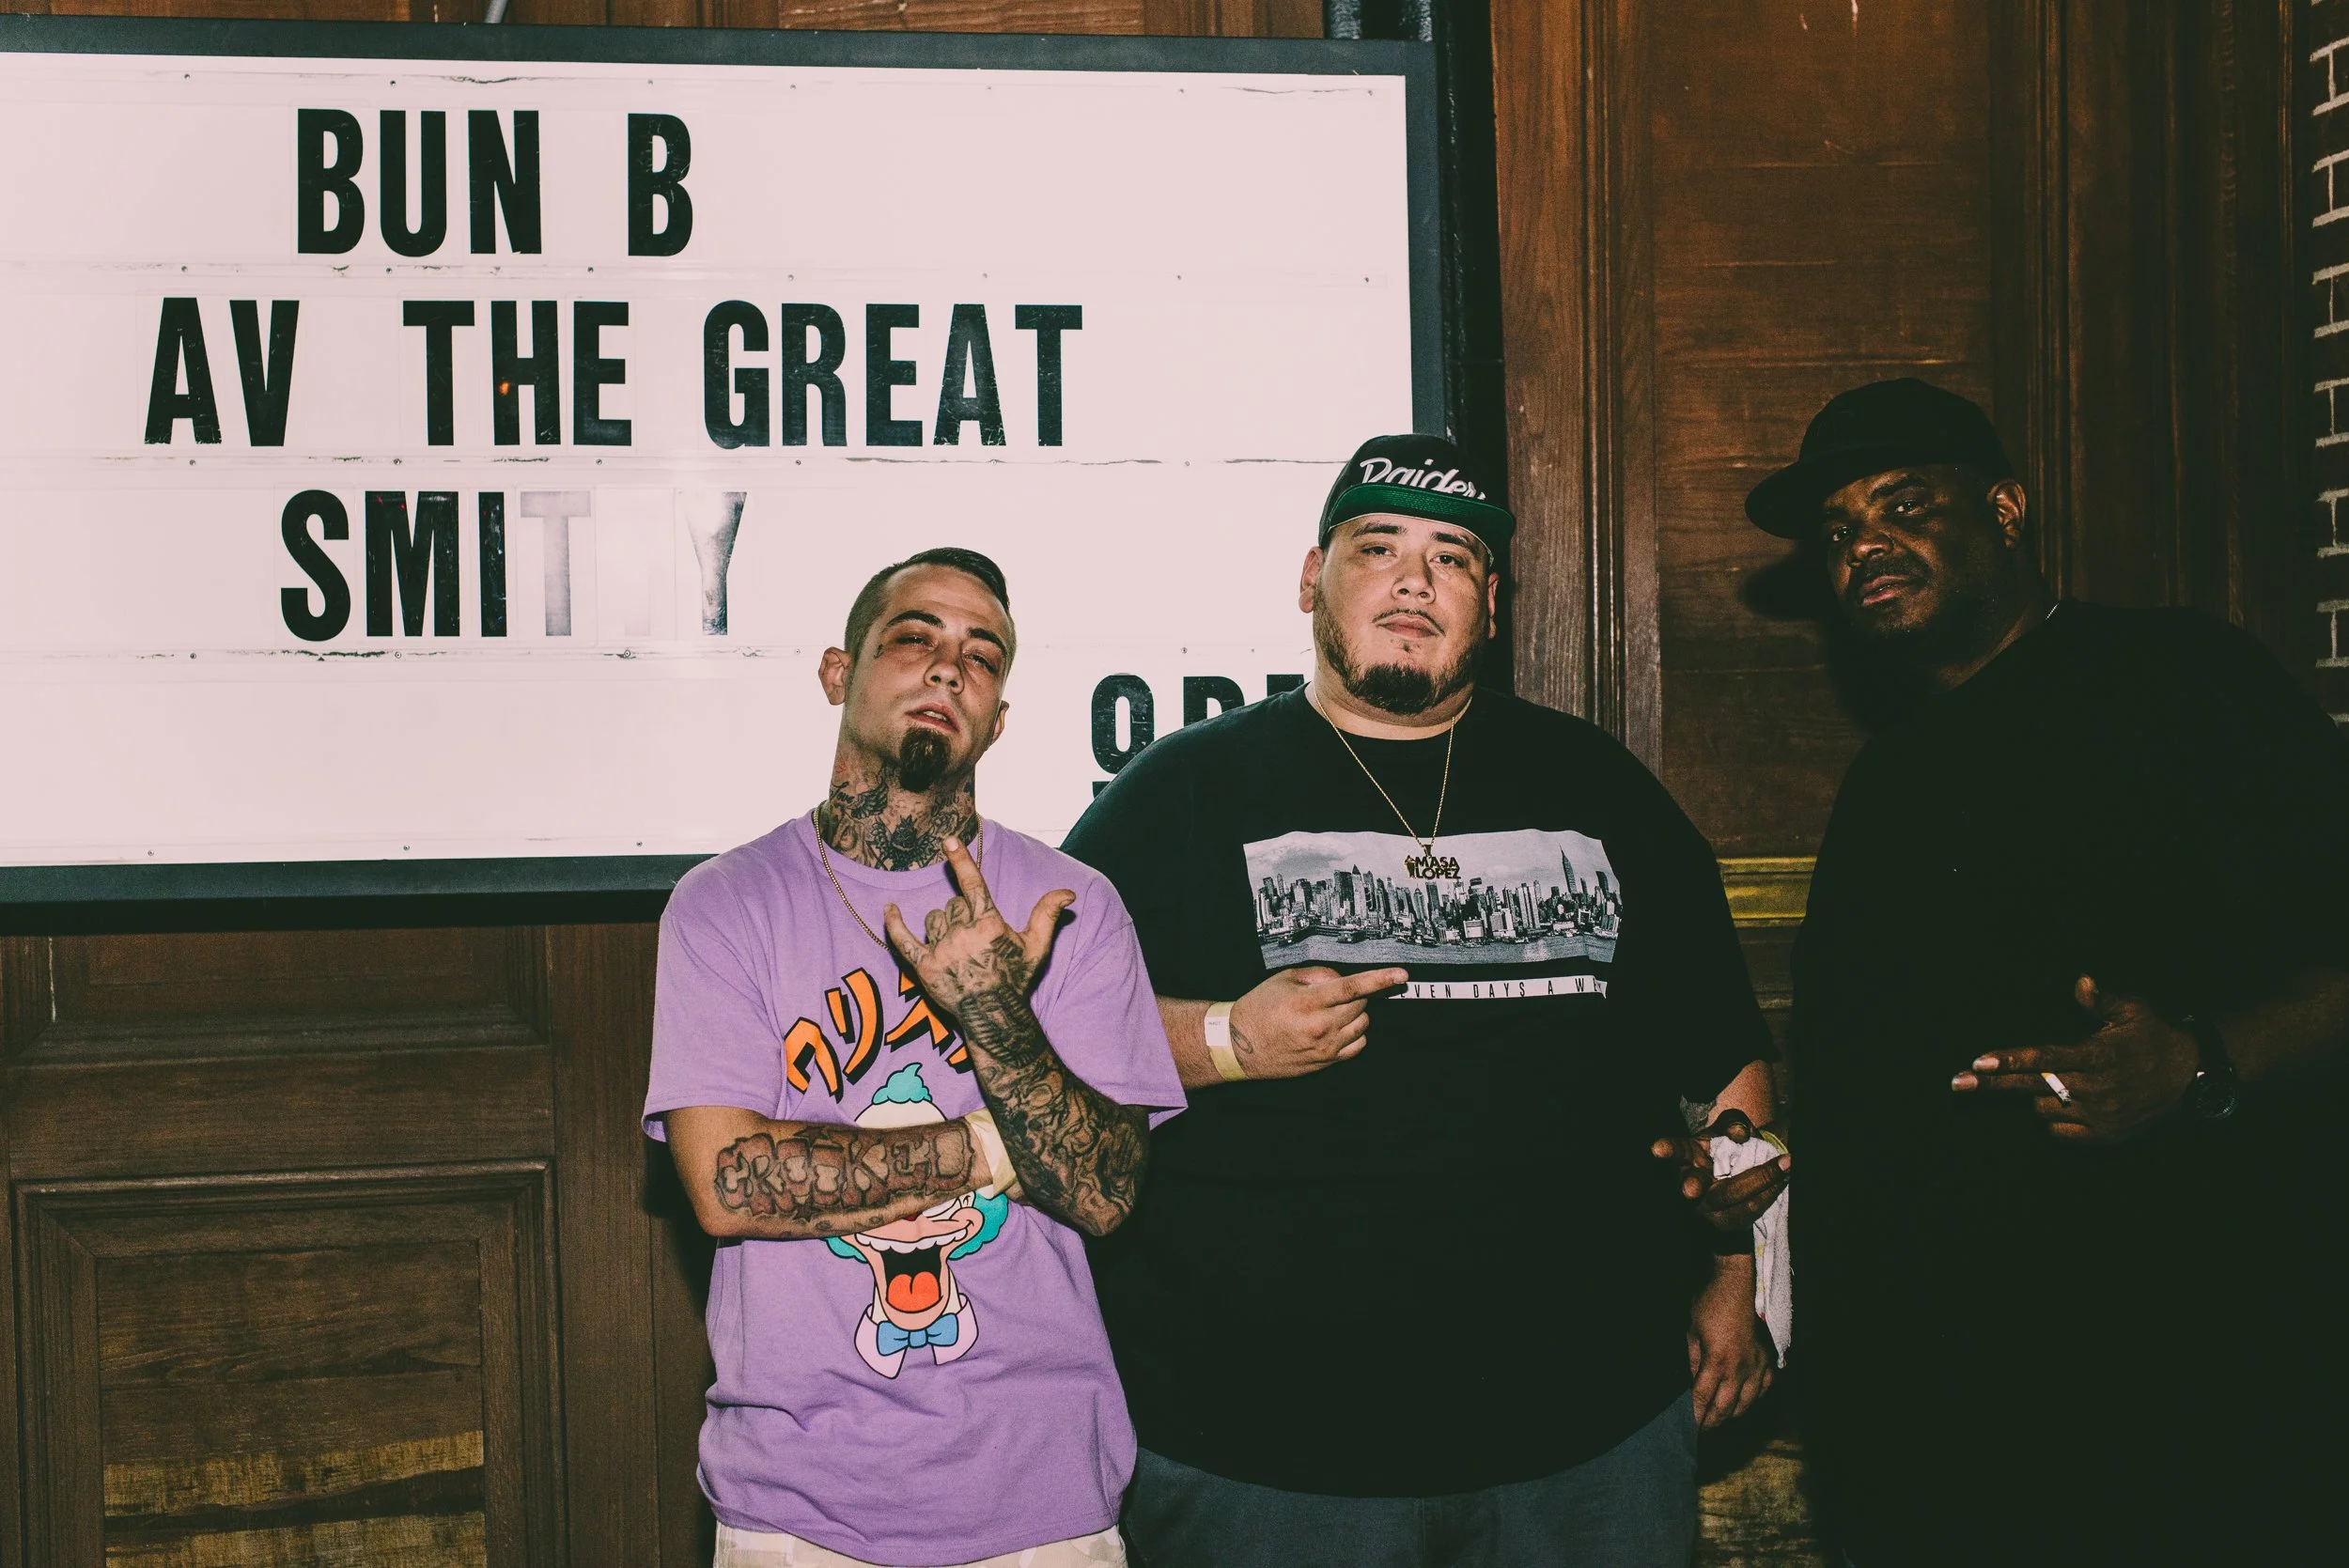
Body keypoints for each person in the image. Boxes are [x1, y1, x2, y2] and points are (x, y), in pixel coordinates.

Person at [1064, 435, 1788, 1568]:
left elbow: (1723, 1051)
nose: (1413, 581)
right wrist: (1227, 1039)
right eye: (1377, 548)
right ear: (1312, 579)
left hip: (1590, 1435)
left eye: (1451, 558)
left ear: (1489, 606)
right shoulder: (1177, 795)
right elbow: (1045, 1048)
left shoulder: (1600, 789)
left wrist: (1732, 1269)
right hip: (1270, 1451)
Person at [1747, 379, 2349, 1566]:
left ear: (2007, 511)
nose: (1864, 545)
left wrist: (2200, 1060)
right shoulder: (1887, 782)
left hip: (2180, 1392)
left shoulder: (2187, 680)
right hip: (1937, 1418)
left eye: (1903, 505)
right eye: (1836, 533)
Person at [645, 547, 1184, 1568]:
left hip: (1046, 1500)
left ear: (999, 718)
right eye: (915, 638)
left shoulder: (1071, 904)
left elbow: (1106, 1188)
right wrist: (999, 1144)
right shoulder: (726, 903)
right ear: (836, 673)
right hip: (798, 1508)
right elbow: (726, 1183)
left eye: (983, 657)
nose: (949, 668)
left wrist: (993, 1011)